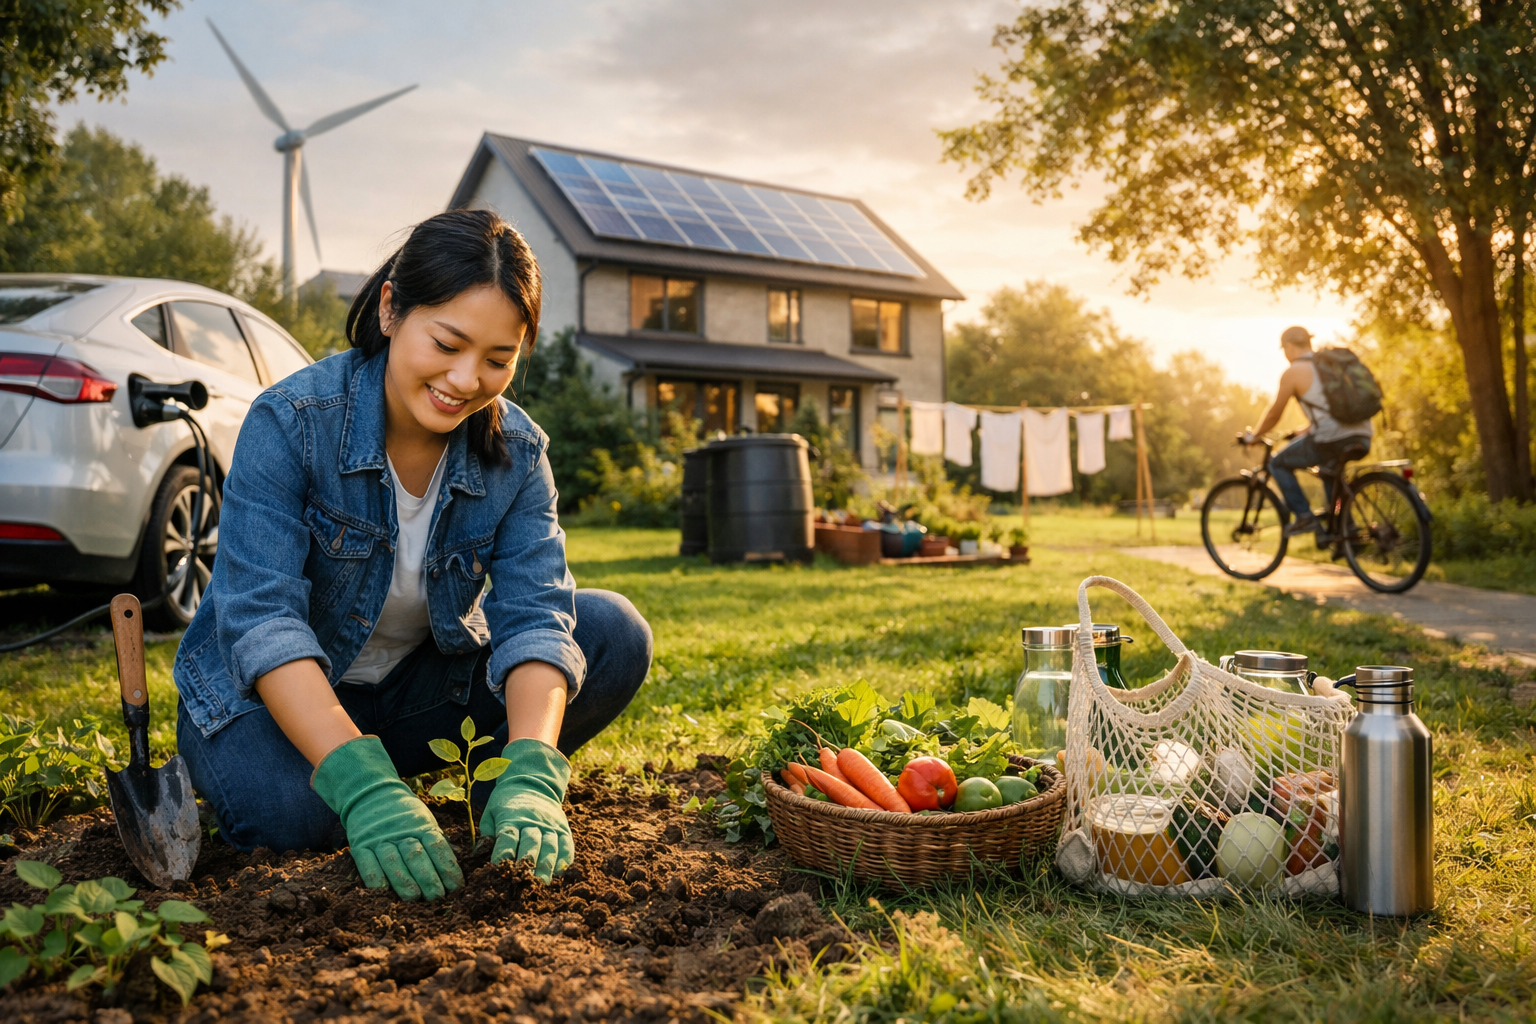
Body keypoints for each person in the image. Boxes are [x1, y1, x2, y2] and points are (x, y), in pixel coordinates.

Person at [172, 209, 652, 900]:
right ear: (393, 308)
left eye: (498, 359)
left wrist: (534, 769)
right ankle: (363, 783)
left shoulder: (518, 455)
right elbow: (261, 625)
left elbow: (536, 619)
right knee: (295, 814)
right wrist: (362, 787)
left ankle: (501, 805)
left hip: (408, 692)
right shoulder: (291, 423)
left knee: (611, 632)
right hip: (263, 700)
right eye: (448, 343)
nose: (465, 379)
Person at [1245, 325, 1374, 536]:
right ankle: (1345, 529)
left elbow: (1274, 414)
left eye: (1284, 349)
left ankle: (1304, 516)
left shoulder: (1294, 371)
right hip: (1363, 433)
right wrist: (1305, 430)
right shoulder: (1328, 365)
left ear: (1288, 347)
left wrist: (1254, 436)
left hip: (1332, 438)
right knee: (1328, 471)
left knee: (1277, 463)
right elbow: (1334, 409)